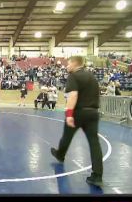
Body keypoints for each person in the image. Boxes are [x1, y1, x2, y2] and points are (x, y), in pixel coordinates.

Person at [51, 56, 103, 187]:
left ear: (75, 64)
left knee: (67, 137)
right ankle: (97, 176)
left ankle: (60, 154)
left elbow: (73, 95)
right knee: (94, 143)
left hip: (78, 113)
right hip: (93, 113)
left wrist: (69, 114)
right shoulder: (92, 77)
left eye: (68, 64)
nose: (67, 66)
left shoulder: (73, 76)